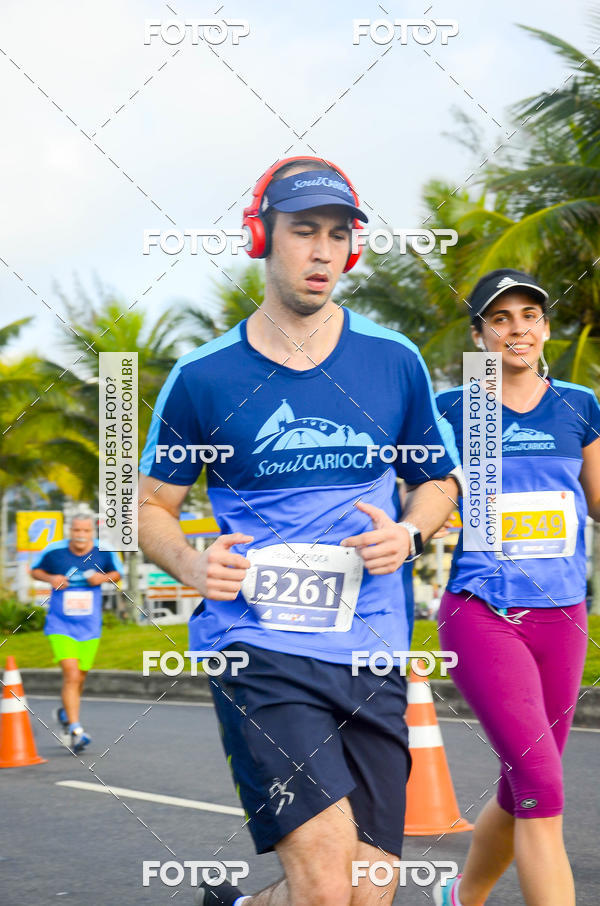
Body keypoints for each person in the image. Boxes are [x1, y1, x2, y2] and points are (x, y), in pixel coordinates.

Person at [138, 155, 462, 906]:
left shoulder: (394, 360)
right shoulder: (204, 377)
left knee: (369, 890)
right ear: (263, 237)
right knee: (324, 881)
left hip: (374, 643)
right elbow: (150, 507)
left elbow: (438, 483)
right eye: (303, 231)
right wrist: (190, 564)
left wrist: (411, 533)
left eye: (338, 234)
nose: (323, 252)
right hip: (259, 645)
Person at [433, 269, 600, 906]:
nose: (517, 328)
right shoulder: (453, 410)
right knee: (541, 783)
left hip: (564, 616)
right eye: (500, 319)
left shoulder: (579, 404)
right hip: (483, 611)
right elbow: (418, 489)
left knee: (528, 780)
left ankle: (461, 898)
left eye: (529, 314)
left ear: (546, 327)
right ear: (479, 335)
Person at [30, 513, 122, 753]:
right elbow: (35, 570)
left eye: (85, 531)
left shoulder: (105, 551)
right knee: (71, 673)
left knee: (79, 677)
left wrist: (100, 578)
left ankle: (65, 712)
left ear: (92, 532)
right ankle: (75, 729)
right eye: (76, 530)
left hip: (90, 626)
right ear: (70, 530)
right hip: (60, 624)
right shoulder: (54, 551)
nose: (81, 535)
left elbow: (117, 574)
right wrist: (52, 577)